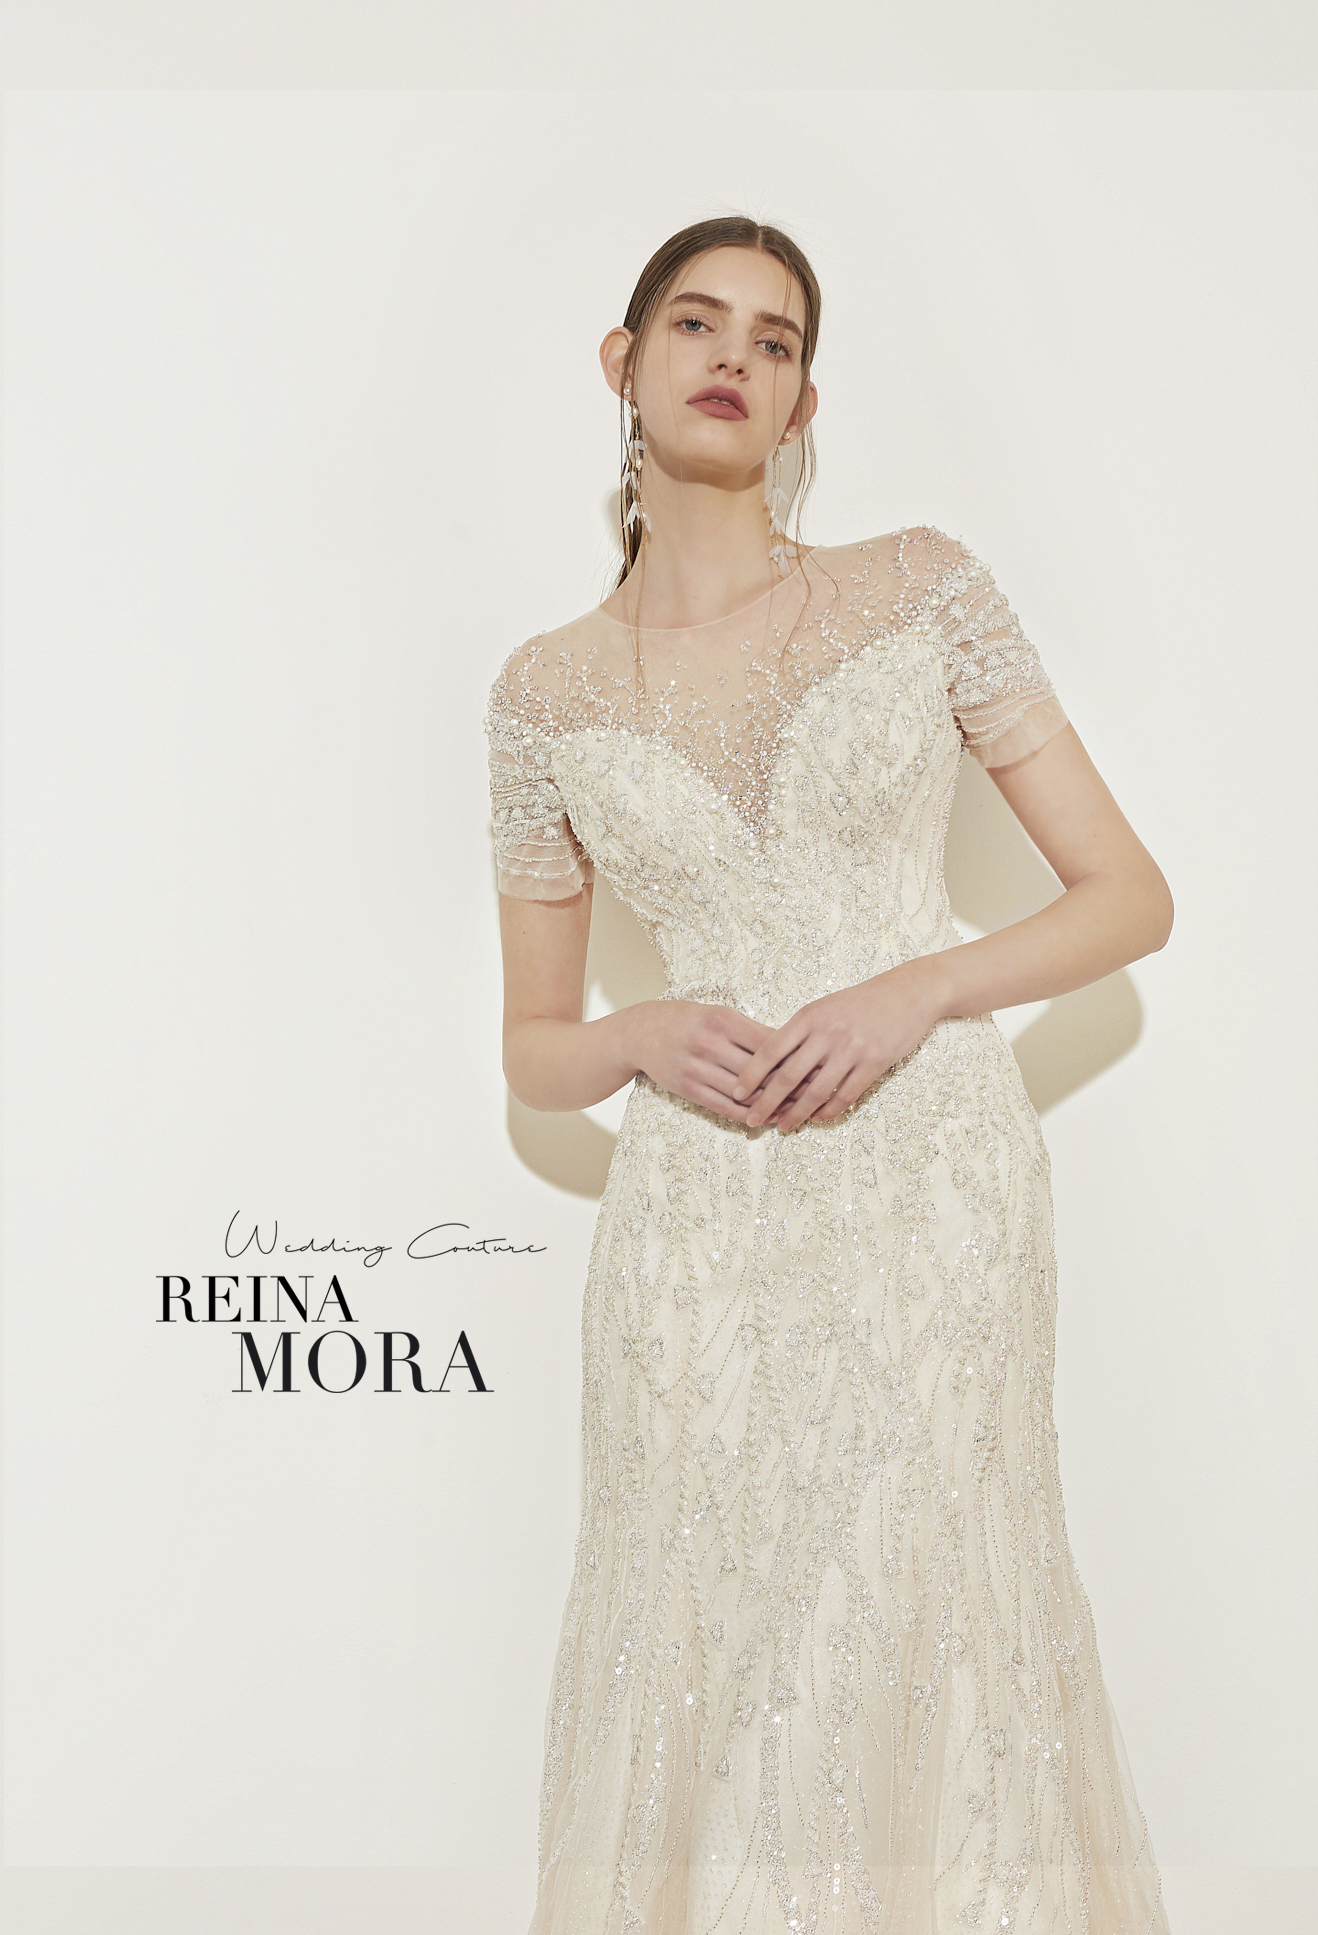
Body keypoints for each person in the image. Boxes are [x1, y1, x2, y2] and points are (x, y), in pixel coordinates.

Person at [486, 215, 1173, 1935]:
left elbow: (1128, 898)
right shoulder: (542, 694)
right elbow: (535, 1049)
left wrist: (916, 988)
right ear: (622, 363)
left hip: (929, 1180)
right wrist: (638, 1035)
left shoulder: (919, 586)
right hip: (696, 1213)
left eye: (776, 340)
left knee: (937, 1587)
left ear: (802, 402)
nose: (735, 355)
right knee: (695, 1612)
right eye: (696, 322)